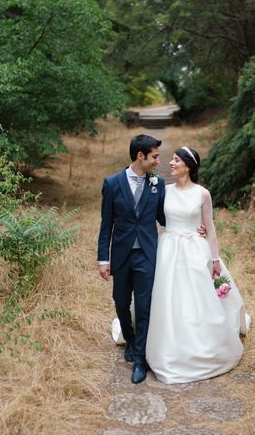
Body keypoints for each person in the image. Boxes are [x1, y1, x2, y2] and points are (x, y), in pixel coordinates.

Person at [145, 147, 249, 384]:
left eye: (176, 160)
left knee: (197, 297)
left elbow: (209, 227)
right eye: (171, 159)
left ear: (188, 166)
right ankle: (168, 344)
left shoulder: (202, 194)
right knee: (168, 297)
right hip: (169, 249)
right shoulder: (164, 190)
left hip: (195, 250)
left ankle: (203, 341)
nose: (170, 163)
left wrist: (214, 259)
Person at [97, 134, 166, 384]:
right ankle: (130, 338)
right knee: (121, 302)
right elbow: (106, 226)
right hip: (122, 254)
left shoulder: (158, 184)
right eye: (155, 156)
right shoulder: (113, 183)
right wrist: (102, 259)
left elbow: (163, 218)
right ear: (141, 156)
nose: (158, 161)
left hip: (147, 253)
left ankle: (140, 359)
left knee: (145, 306)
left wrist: (191, 226)